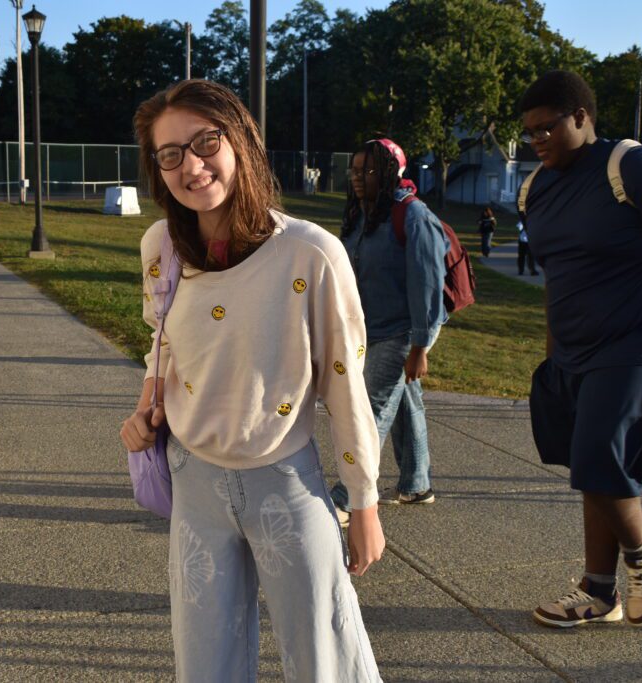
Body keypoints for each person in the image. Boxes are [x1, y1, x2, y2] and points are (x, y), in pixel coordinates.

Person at [122, 80, 385, 681]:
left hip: (284, 482)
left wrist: (364, 501)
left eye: (205, 142)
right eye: (170, 154)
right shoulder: (160, 246)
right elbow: (162, 348)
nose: (191, 165)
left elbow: (345, 383)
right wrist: (146, 408)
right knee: (205, 659)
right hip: (194, 483)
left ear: (239, 139)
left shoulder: (310, 254)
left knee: (325, 654)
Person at [519, 70, 642, 628]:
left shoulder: (633, 166)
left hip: (641, 339)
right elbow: (558, 277)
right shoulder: (538, 188)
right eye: (529, 133)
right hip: (575, 346)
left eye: (548, 128)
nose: (538, 140)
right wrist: (555, 352)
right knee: (588, 461)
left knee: (599, 454)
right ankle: (598, 592)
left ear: (582, 117)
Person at [330, 139, 449, 518]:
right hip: (365, 331)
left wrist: (420, 346)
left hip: (401, 332)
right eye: (355, 170)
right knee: (404, 405)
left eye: (368, 170)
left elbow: (427, 283)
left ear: (390, 172)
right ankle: (417, 484)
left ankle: (347, 499)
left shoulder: (413, 216)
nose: (359, 178)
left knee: (369, 411)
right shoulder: (362, 215)